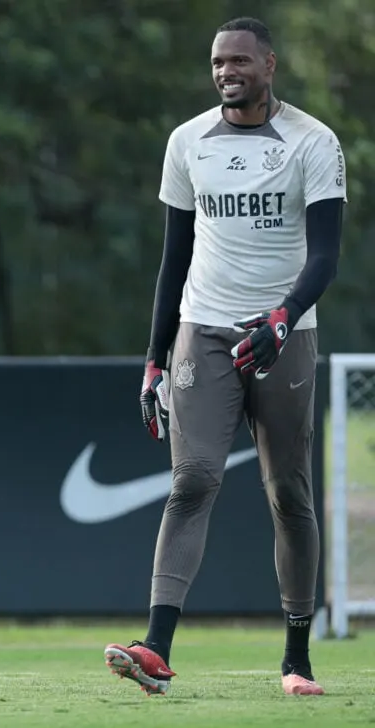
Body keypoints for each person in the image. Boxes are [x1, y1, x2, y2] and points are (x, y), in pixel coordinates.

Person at [103, 17, 346, 697]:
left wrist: (282, 315)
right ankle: (154, 648)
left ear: (269, 65)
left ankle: (297, 658)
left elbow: (326, 256)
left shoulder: (314, 142)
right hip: (202, 331)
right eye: (217, 62)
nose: (226, 72)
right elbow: (173, 259)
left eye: (239, 60)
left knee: (288, 493)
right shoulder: (188, 142)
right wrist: (153, 360)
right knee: (193, 479)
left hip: (283, 334)